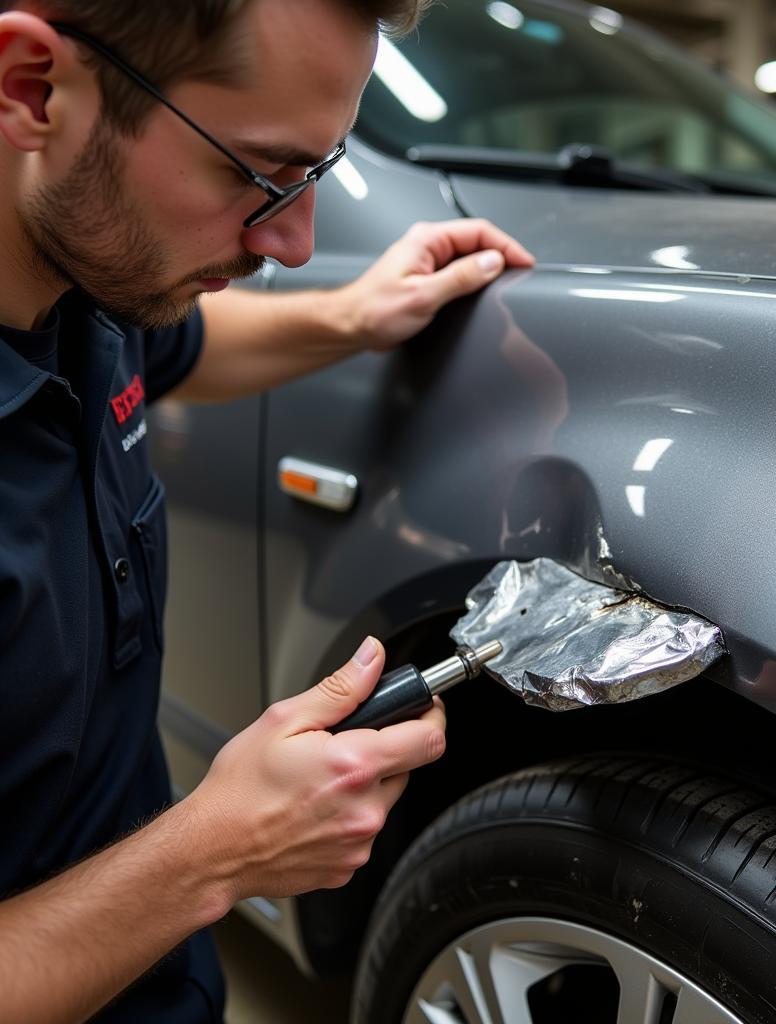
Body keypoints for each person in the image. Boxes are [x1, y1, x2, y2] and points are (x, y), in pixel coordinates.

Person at [0, 0, 535, 1020]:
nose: (294, 241)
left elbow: (180, 349)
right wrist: (214, 852)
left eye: (315, 175)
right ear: (32, 86)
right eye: (256, 174)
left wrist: (359, 315)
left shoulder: (84, 279)